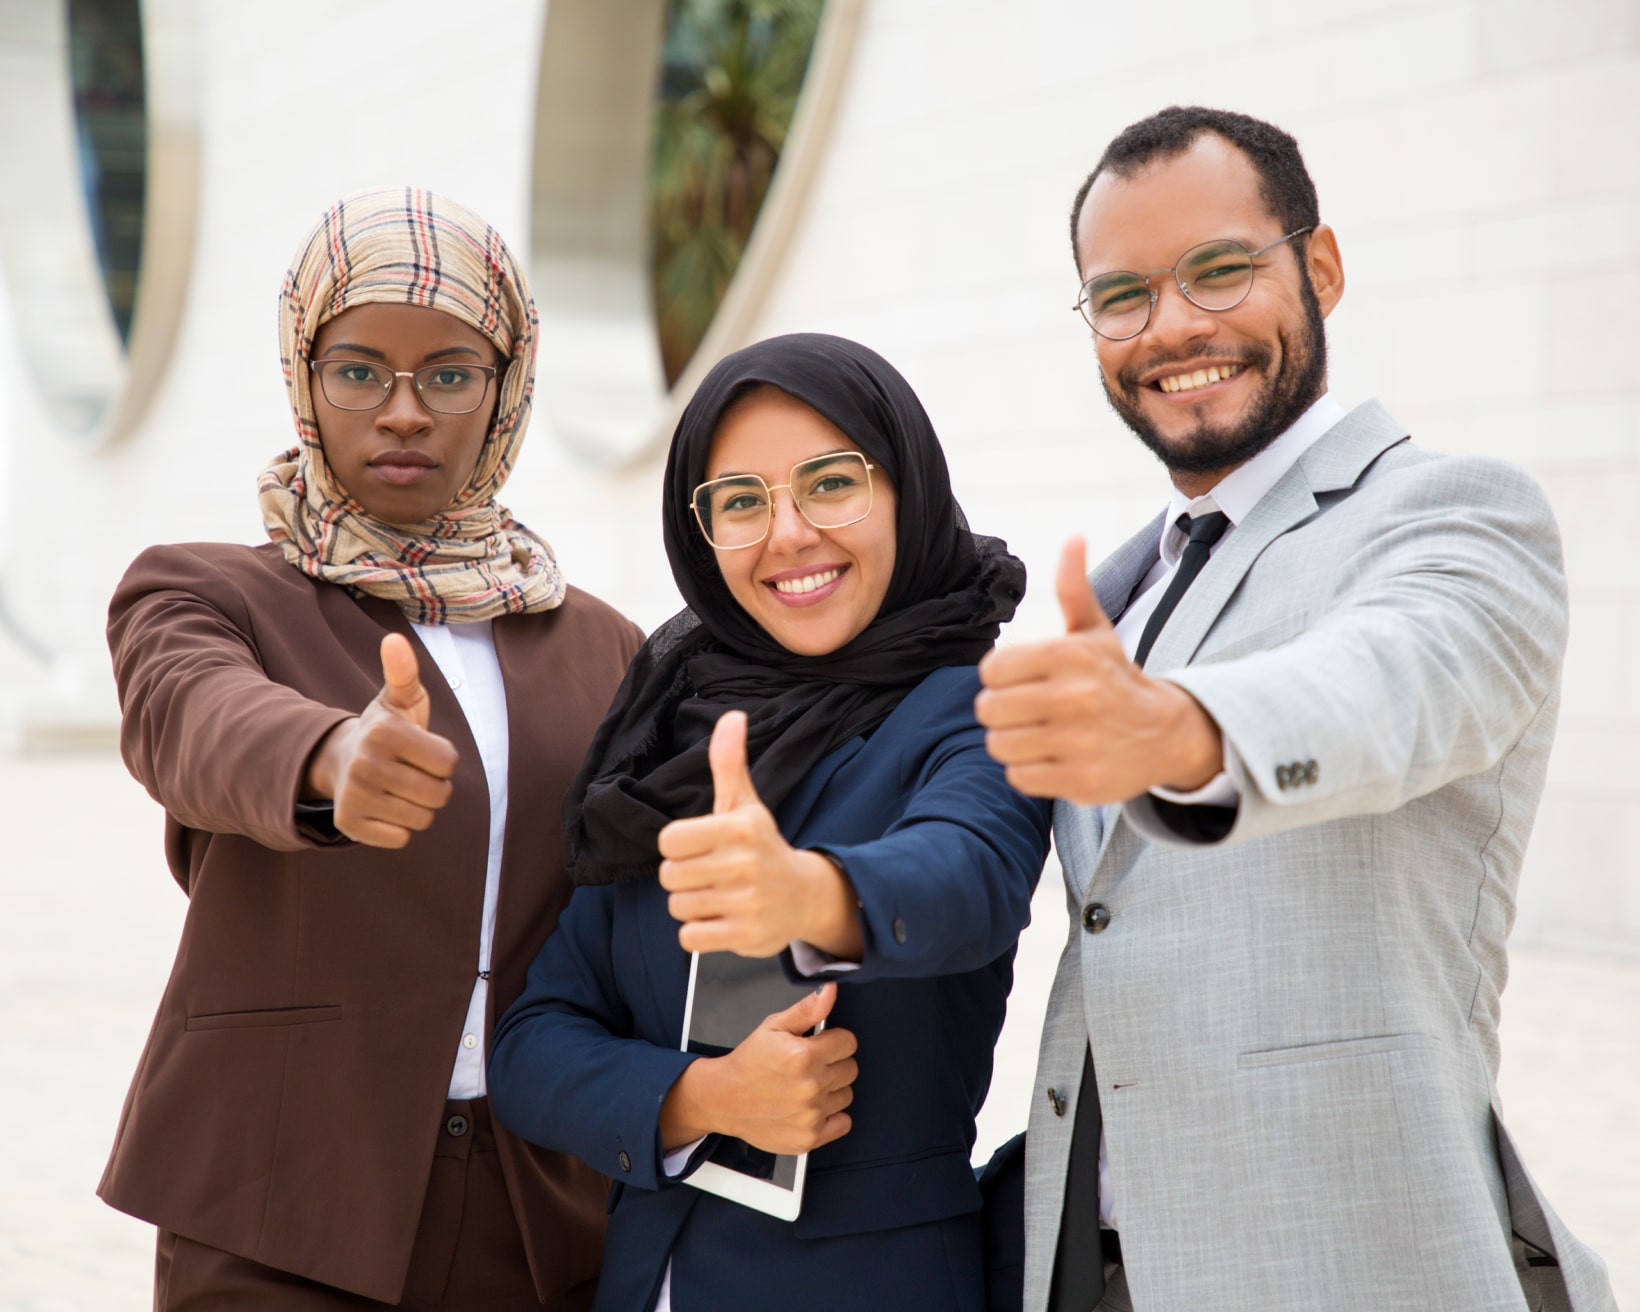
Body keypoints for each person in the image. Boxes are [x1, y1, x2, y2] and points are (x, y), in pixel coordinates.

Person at [975, 106, 1618, 1312]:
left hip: (1336, 1261)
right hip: (1089, 1266)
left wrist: (1186, 733)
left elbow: (1396, 680)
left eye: (1217, 271)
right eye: (1121, 296)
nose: (1171, 326)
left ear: (1316, 266)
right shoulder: (1127, 586)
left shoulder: (1453, 514)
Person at [98, 187, 643, 1310]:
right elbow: (186, 714)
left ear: (506, 389)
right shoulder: (206, 589)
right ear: (305, 376)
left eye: (450, 373)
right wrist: (327, 757)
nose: (404, 411)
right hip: (277, 1197)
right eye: (359, 370)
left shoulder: (604, 645)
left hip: (539, 1213)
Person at [487, 332, 1052, 1312]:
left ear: (904, 488)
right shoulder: (666, 736)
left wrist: (807, 892)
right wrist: (694, 1099)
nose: (787, 533)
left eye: (831, 483)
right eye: (740, 501)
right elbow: (534, 1043)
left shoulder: (974, 707)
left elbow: (970, 876)